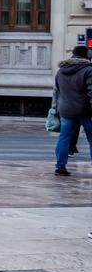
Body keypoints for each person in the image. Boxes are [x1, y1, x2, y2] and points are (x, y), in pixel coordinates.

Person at [53, 45, 92, 176]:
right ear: (86, 56)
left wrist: (56, 108)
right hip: (85, 111)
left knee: (64, 138)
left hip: (66, 110)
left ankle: (60, 166)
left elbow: (57, 92)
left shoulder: (61, 71)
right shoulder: (88, 70)